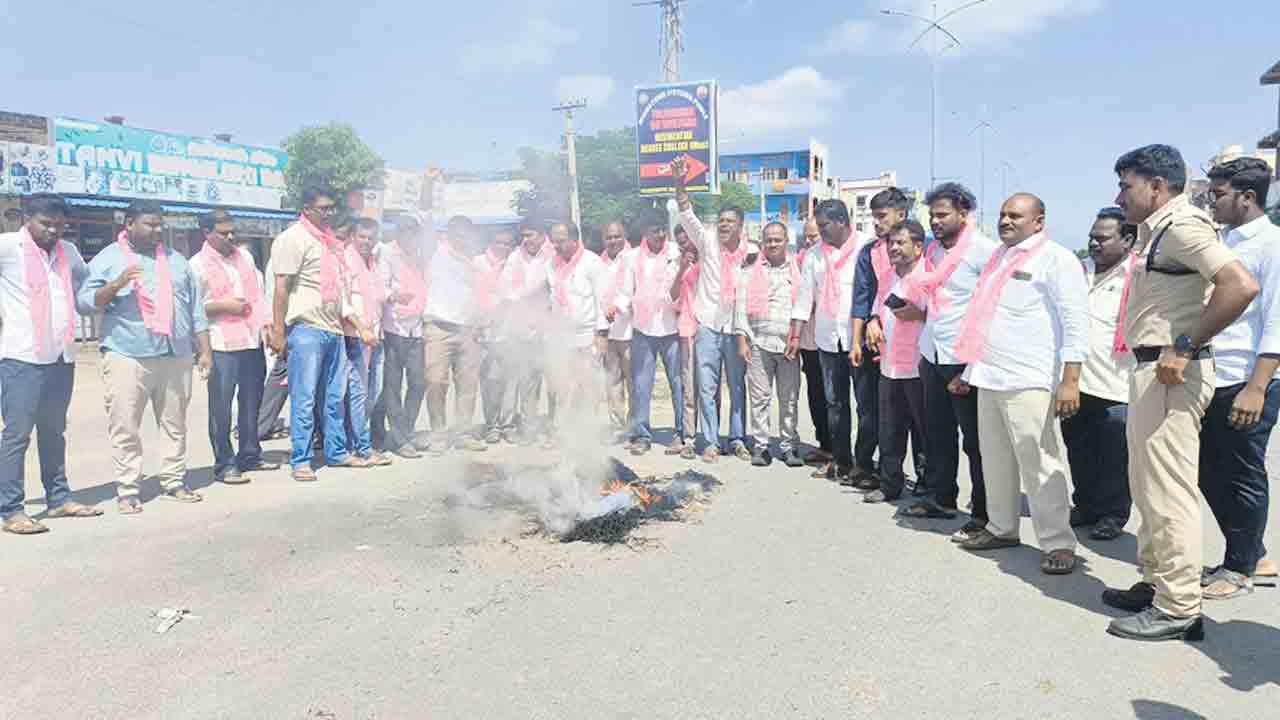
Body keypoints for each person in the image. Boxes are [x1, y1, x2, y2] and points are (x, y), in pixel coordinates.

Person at [1103, 144, 1257, 643]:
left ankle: (1179, 607)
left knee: (1169, 491)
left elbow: (1240, 284)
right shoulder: (1159, 231)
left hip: (1171, 373)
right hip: (1151, 371)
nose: (1120, 195)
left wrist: (1186, 346)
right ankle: (1157, 582)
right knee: (1147, 485)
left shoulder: (1183, 226)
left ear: (1157, 186)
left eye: (1127, 185)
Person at [946, 194, 1087, 576]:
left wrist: (1070, 380)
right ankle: (1002, 527)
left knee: (1039, 463)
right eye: (1004, 215)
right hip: (989, 374)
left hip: (1029, 378)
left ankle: (1058, 542)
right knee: (995, 460)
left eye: (1016, 216)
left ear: (1038, 221)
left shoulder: (1057, 259)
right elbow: (984, 317)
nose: (1006, 221)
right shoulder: (997, 258)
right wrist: (969, 369)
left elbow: (1075, 322)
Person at [80, 199, 212, 512]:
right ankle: (128, 489)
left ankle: (174, 481)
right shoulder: (108, 259)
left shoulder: (177, 260)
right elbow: (85, 302)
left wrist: (204, 349)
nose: (156, 230)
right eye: (150, 224)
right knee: (126, 425)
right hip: (128, 353)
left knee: (174, 423)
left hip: (175, 352)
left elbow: (195, 309)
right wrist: (115, 285)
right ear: (129, 224)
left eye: (159, 224)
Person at [1196, 157, 1280, 601]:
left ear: (1247, 197)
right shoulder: (1222, 241)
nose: (1212, 201)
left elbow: (1276, 322)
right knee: (1208, 470)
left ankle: (1240, 569)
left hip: (1248, 379)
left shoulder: (1271, 245)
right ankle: (1251, 553)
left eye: (1219, 194)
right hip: (1214, 374)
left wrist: (1257, 387)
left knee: (1243, 475)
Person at [901, 183, 998, 541]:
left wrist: (974, 368)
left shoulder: (984, 252)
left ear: (963, 213)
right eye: (932, 215)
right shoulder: (933, 252)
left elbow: (990, 310)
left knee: (975, 440)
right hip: (933, 353)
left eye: (942, 215)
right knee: (937, 434)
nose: (935, 221)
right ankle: (942, 498)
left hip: (964, 358)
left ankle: (985, 513)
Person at [0, 194, 100, 534]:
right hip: (22, 358)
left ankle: (58, 499)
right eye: (47, 224)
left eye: (60, 225)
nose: (54, 231)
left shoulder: (68, 252)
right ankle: (11, 510)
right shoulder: (8, 247)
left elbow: (86, 287)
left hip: (61, 355)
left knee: (54, 432)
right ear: (27, 218)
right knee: (16, 436)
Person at [268, 187, 373, 482]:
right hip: (306, 330)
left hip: (333, 329)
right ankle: (301, 460)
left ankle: (337, 451)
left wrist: (357, 324)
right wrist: (278, 331)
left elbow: (339, 293)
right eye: (322, 208)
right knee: (304, 397)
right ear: (307, 207)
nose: (328, 213)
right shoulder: (293, 238)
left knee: (334, 397)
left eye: (331, 209)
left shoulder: (329, 243)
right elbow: (281, 287)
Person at [1062, 207, 1137, 541]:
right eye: (1091, 236)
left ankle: (1112, 513)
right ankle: (1086, 505)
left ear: (1127, 240)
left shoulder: (1139, 276)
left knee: (1114, 455)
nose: (1094, 243)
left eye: (1102, 238)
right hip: (1077, 382)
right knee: (1078, 448)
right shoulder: (1078, 271)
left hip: (1118, 384)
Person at [189, 209, 277, 485]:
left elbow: (259, 296)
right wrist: (223, 306)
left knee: (252, 401)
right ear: (207, 233)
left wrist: (269, 329)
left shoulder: (246, 258)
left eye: (232, 231)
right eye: (223, 232)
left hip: (251, 340)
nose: (230, 236)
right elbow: (192, 308)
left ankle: (250, 454)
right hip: (220, 343)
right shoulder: (196, 265)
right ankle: (225, 463)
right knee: (222, 406)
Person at [672, 156, 750, 463]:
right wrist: (681, 182)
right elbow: (686, 213)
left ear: (741, 227)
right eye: (721, 221)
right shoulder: (706, 243)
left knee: (737, 386)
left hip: (736, 330)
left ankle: (738, 438)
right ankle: (710, 441)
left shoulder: (751, 253)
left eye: (730, 222)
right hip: (706, 326)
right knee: (706, 387)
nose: (724, 225)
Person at [787, 199, 862, 483]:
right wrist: (795, 335)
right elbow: (804, 299)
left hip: (858, 339)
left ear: (842, 221)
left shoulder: (865, 248)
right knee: (835, 404)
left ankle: (865, 465)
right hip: (828, 340)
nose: (820, 231)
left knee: (867, 407)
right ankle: (840, 461)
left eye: (824, 226)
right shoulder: (813, 256)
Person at [859, 220, 929, 503]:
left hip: (918, 366)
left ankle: (927, 486)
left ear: (918, 246)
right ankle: (890, 485)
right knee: (890, 429)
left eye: (901, 243)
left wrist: (921, 316)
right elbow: (878, 305)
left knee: (924, 431)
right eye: (892, 243)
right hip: (889, 365)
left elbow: (947, 316)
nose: (894, 248)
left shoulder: (930, 276)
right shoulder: (888, 275)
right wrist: (873, 321)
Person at [847, 188, 907, 489]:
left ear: (902, 215)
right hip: (872, 342)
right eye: (874, 217)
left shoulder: (921, 249)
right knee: (868, 408)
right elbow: (860, 299)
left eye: (882, 216)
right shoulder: (868, 253)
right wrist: (856, 341)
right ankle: (865, 467)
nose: (877, 223)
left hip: (908, 344)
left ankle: (915, 476)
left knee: (906, 414)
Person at [737, 222, 804, 467]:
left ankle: (788, 446)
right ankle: (762, 446)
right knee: (760, 398)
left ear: (786, 240)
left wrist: (796, 337)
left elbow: (803, 304)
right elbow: (740, 307)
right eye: (768, 240)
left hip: (789, 345)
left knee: (789, 399)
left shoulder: (797, 267)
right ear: (762, 242)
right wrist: (742, 340)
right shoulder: (750, 269)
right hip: (758, 343)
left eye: (777, 239)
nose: (773, 244)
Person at [620, 208, 684, 455]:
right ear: (644, 233)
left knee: (678, 383)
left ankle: (680, 433)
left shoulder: (677, 254)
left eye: (662, 230)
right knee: (641, 384)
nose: (660, 235)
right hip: (643, 329)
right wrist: (617, 308)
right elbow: (627, 291)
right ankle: (642, 434)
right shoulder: (632, 257)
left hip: (672, 327)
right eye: (654, 231)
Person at [541, 220, 607, 445]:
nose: (555, 246)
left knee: (588, 385)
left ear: (574, 239)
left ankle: (589, 433)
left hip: (588, 333)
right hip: (561, 335)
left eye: (560, 241)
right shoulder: (551, 265)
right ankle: (564, 431)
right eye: (553, 242)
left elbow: (602, 300)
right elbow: (552, 300)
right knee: (563, 386)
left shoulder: (592, 262)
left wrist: (601, 335)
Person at [425, 216, 486, 454]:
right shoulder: (435, 251)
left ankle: (463, 433)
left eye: (466, 234)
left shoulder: (471, 260)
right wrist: (429, 181)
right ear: (448, 234)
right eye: (458, 233)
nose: (462, 238)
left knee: (468, 385)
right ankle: (438, 434)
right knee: (436, 381)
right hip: (439, 328)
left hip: (467, 331)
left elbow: (474, 294)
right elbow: (425, 216)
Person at [377, 215, 432, 458]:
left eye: (414, 234)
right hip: (393, 328)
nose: (411, 238)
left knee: (419, 382)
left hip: (416, 328)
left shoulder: (418, 256)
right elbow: (379, 285)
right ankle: (399, 439)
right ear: (399, 234)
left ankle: (406, 431)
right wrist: (394, 296)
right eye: (407, 234)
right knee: (392, 385)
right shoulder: (387, 253)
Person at [338, 216, 390, 466]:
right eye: (362, 237)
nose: (366, 242)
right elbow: (344, 302)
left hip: (374, 336)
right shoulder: (346, 262)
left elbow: (379, 297)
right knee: (358, 393)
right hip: (355, 336)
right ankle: (361, 446)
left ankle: (357, 441)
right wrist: (361, 329)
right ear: (352, 237)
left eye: (371, 238)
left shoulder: (372, 264)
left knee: (373, 392)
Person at [501, 220, 555, 445]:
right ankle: (529, 427)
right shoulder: (515, 257)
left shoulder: (553, 256)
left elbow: (555, 287)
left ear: (542, 235)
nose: (526, 240)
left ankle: (555, 428)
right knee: (528, 381)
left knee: (555, 380)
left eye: (530, 234)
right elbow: (506, 289)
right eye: (523, 235)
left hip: (551, 328)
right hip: (522, 328)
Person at [476, 227, 516, 444]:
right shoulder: (478, 263)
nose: (503, 247)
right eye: (499, 242)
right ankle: (492, 425)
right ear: (490, 241)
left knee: (510, 381)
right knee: (490, 381)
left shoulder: (515, 265)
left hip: (511, 332)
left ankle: (508, 424)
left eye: (508, 244)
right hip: (487, 334)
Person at [599, 220, 635, 443]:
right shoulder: (598, 263)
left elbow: (631, 290)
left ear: (624, 236)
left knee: (633, 383)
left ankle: (634, 427)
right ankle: (616, 426)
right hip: (608, 333)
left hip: (631, 331)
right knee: (612, 383)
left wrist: (617, 307)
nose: (613, 241)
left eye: (617, 236)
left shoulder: (633, 258)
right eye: (609, 237)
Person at [671, 224, 700, 459]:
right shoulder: (676, 262)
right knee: (688, 387)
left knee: (709, 390)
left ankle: (711, 438)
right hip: (687, 329)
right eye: (680, 242)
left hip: (710, 328)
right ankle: (689, 438)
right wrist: (681, 268)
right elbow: (672, 295)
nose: (685, 245)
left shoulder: (712, 259)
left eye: (687, 240)